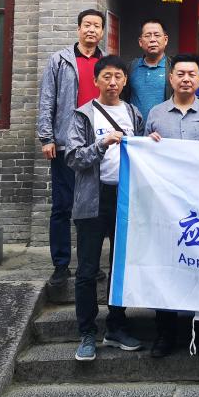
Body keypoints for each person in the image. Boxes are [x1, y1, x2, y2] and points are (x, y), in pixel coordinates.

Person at [145, 54, 199, 358]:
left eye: (191, 74)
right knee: (166, 267)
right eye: (180, 73)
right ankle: (165, 334)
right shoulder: (155, 114)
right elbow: (142, 155)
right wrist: (149, 144)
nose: (186, 79)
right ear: (171, 78)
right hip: (166, 205)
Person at [64, 55, 145, 362]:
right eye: (107, 76)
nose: (112, 82)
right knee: (87, 270)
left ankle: (116, 326)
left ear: (125, 81)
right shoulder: (83, 115)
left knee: (120, 267)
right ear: (96, 80)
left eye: (118, 77)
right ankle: (87, 333)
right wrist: (101, 144)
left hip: (124, 198)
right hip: (92, 199)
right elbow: (73, 157)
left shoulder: (134, 113)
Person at [37, 8, 105, 289]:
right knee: (62, 206)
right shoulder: (60, 60)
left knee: (92, 209)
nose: (91, 30)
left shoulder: (106, 62)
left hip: (96, 144)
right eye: (87, 25)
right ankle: (61, 265)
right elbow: (47, 98)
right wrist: (47, 137)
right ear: (78, 29)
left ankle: (89, 265)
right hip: (66, 143)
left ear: (102, 32)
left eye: (96, 26)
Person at [127, 19, 171, 123]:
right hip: (135, 129)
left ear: (165, 40)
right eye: (147, 36)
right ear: (140, 42)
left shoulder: (174, 68)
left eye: (157, 35)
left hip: (163, 129)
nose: (152, 39)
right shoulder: (130, 67)